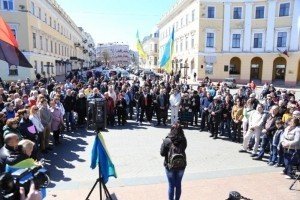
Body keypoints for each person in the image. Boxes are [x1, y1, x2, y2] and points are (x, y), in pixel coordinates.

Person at [160, 123, 187, 200]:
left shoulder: (167, 140)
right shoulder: (183, 139)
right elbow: (184, 148)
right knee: (178, 184)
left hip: (169, 165)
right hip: (181, 165)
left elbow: (162, 153)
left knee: (171, 185)